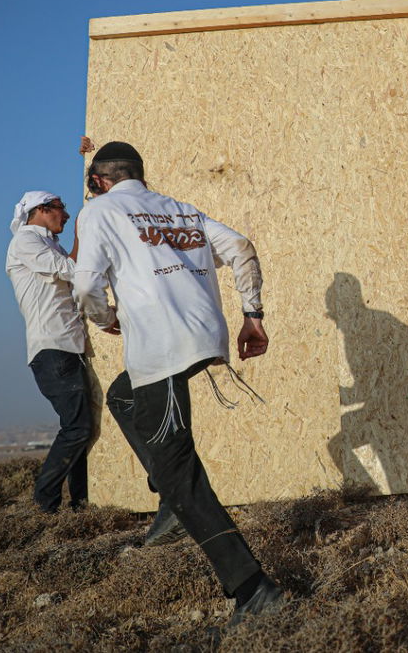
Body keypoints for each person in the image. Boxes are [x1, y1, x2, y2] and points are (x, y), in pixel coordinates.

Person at [72, 141, 284, 623]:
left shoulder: (100, 211)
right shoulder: (178, 209)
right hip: (204, 333)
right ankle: (168, 490)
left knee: (180, 471)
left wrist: (105, 317)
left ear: (98, 181)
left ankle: (253, 590)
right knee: (123, 396)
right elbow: (241, 247)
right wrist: (252, 315)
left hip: (161, 346)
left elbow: (85, 285)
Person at [5, 190, 101, 512]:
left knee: (81, 428)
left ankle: (80, 503)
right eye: (62, 209)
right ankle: (45, 503)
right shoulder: (26, 242)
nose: (67, 214)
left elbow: (71, 267)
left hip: (67, 348)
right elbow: (73, 270)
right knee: (77, 428)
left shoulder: (49, 244)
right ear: (43, 209)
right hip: (53, 348)